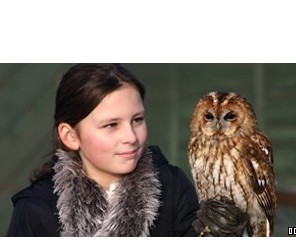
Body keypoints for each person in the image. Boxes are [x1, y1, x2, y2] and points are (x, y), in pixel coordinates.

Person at [7, 63, 248, 237]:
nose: (131, 137)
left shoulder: (172, 186)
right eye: (111, 125)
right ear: (70, 136)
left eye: (137, 120)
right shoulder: (34, 210)